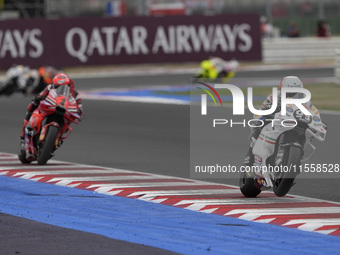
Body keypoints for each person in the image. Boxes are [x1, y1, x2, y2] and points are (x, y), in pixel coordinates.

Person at [243, 76, 326, 169]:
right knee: (259, 125)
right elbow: (258, 112)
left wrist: (319, 122)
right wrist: (267, 111)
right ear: (282, 91)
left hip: (295, 123)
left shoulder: (306, 101)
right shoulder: (274, 96)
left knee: (306, 133)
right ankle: (249, 156)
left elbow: (314, 112)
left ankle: (297, 158)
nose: (293, 95)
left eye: (297, 93)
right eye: (289, 93)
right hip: (277, 121)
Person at [20, 73, 84, 140]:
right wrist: (38, 98)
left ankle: (59, 137)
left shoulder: (76, 94)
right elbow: (41, 95)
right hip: (51, 106)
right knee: (33, 105)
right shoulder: (49, 87)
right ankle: (24, 129)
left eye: (64, 86)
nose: (60, 88)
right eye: (57, 86)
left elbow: (80, 107)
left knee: (70, 121)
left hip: (65, 111)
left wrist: (80, 112)